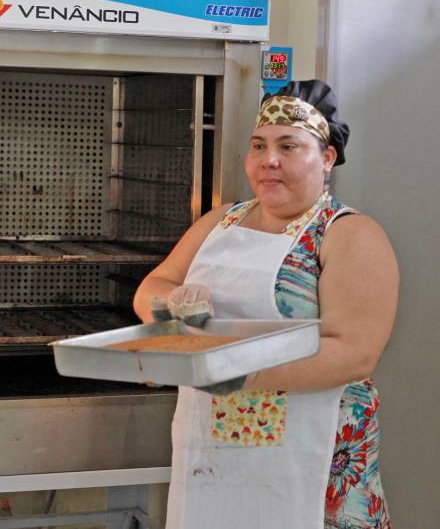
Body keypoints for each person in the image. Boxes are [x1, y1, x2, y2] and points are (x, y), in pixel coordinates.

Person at [133, 80, 399, 529]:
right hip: (212, 448)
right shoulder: (220, 221)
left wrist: (236, 371)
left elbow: (356, 351)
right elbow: (154, 284)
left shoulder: (350, 235)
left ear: (327, 158)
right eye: (259, 145)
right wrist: (169, 305)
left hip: (312, 455)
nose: (268, 160)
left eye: (289, 146)